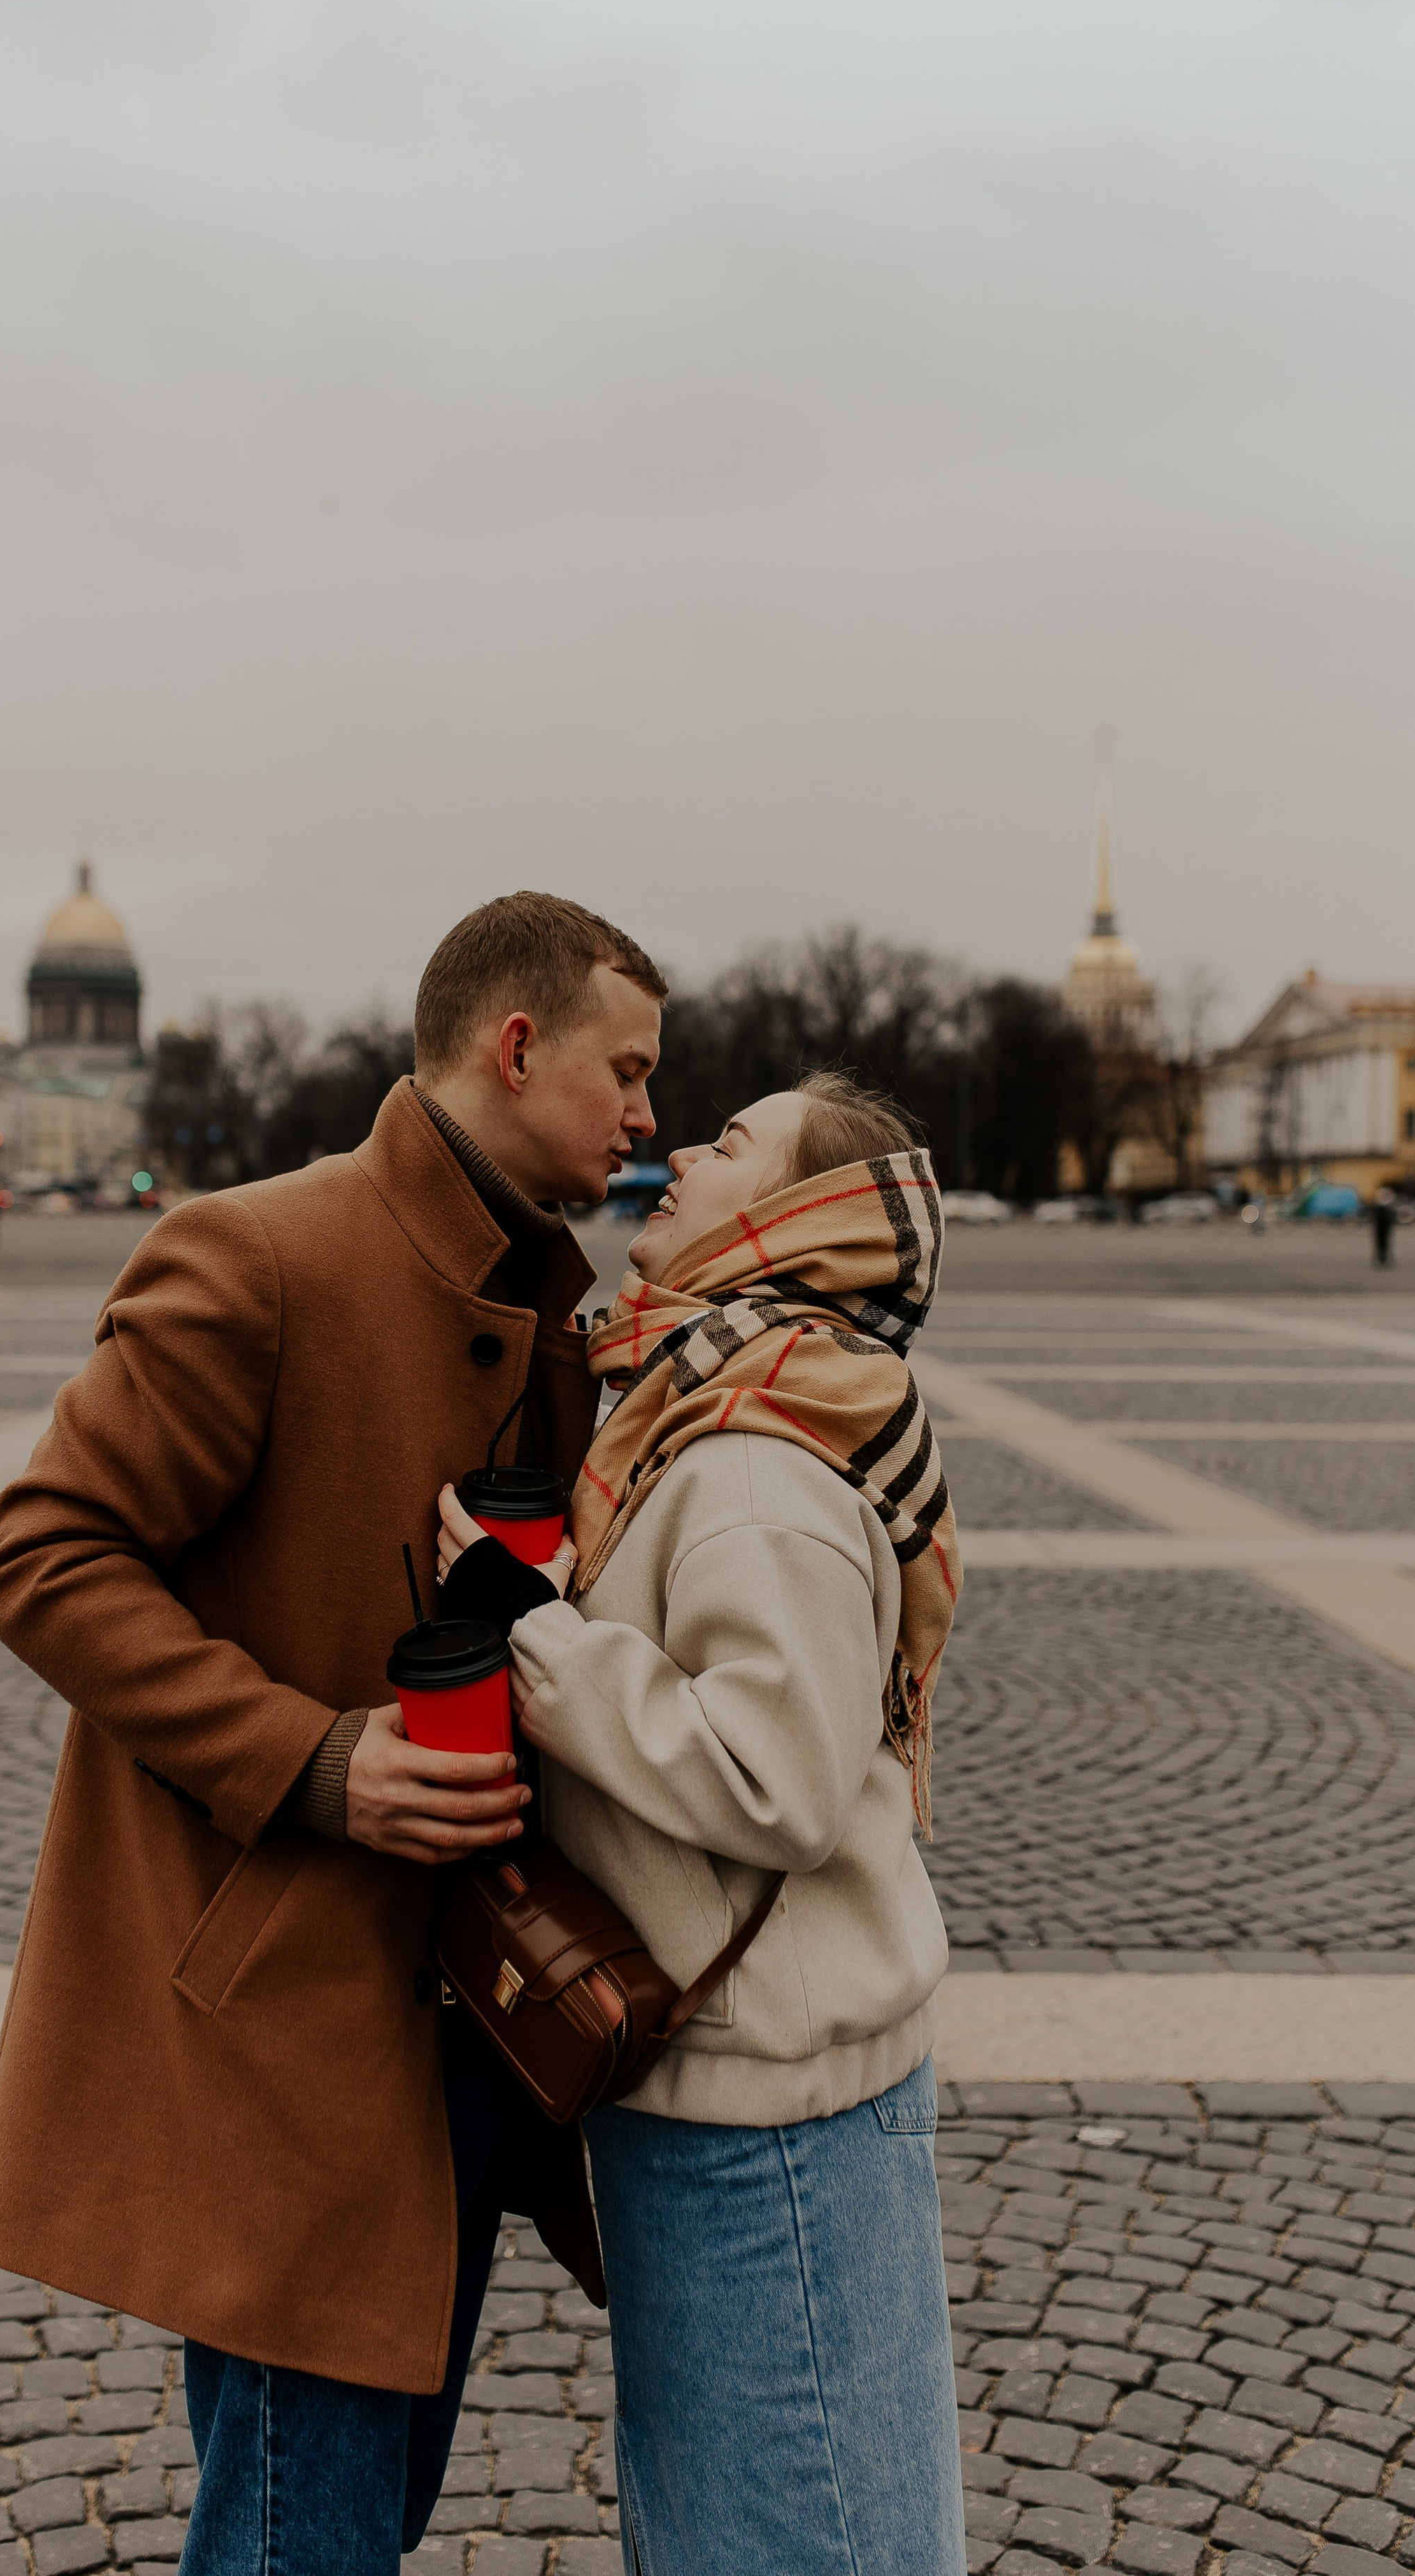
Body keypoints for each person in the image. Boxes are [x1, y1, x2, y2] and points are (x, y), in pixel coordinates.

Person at [0, 892, 667, 2575]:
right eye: (626, 1071)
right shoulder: (262, 1250)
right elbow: (43, 1555)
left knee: (345, 2516)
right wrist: (315, 1757)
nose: (648, 1116)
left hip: (454, 2029)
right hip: (294, 2024)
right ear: (516, 1048)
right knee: (303, 2535)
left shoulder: (547, 1301)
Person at [438, 1073, 967, 2576]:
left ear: (791, 1219)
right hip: (738, 2089)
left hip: (769, 2120)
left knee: (799, 2538)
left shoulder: (745, 1458)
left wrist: (517, 1627)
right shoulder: (712, 1396)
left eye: (730, 1143)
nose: (679, 1146)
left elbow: (773, 1783)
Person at [1371, 1183, 1399, 1268]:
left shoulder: (1388, 1202)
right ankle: (1381, 1258)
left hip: (1385, 1224)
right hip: (1381, 1224)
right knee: (1380, 1242)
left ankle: (1384, 1258)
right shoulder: (1380, 1202)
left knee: (1385, 1242)